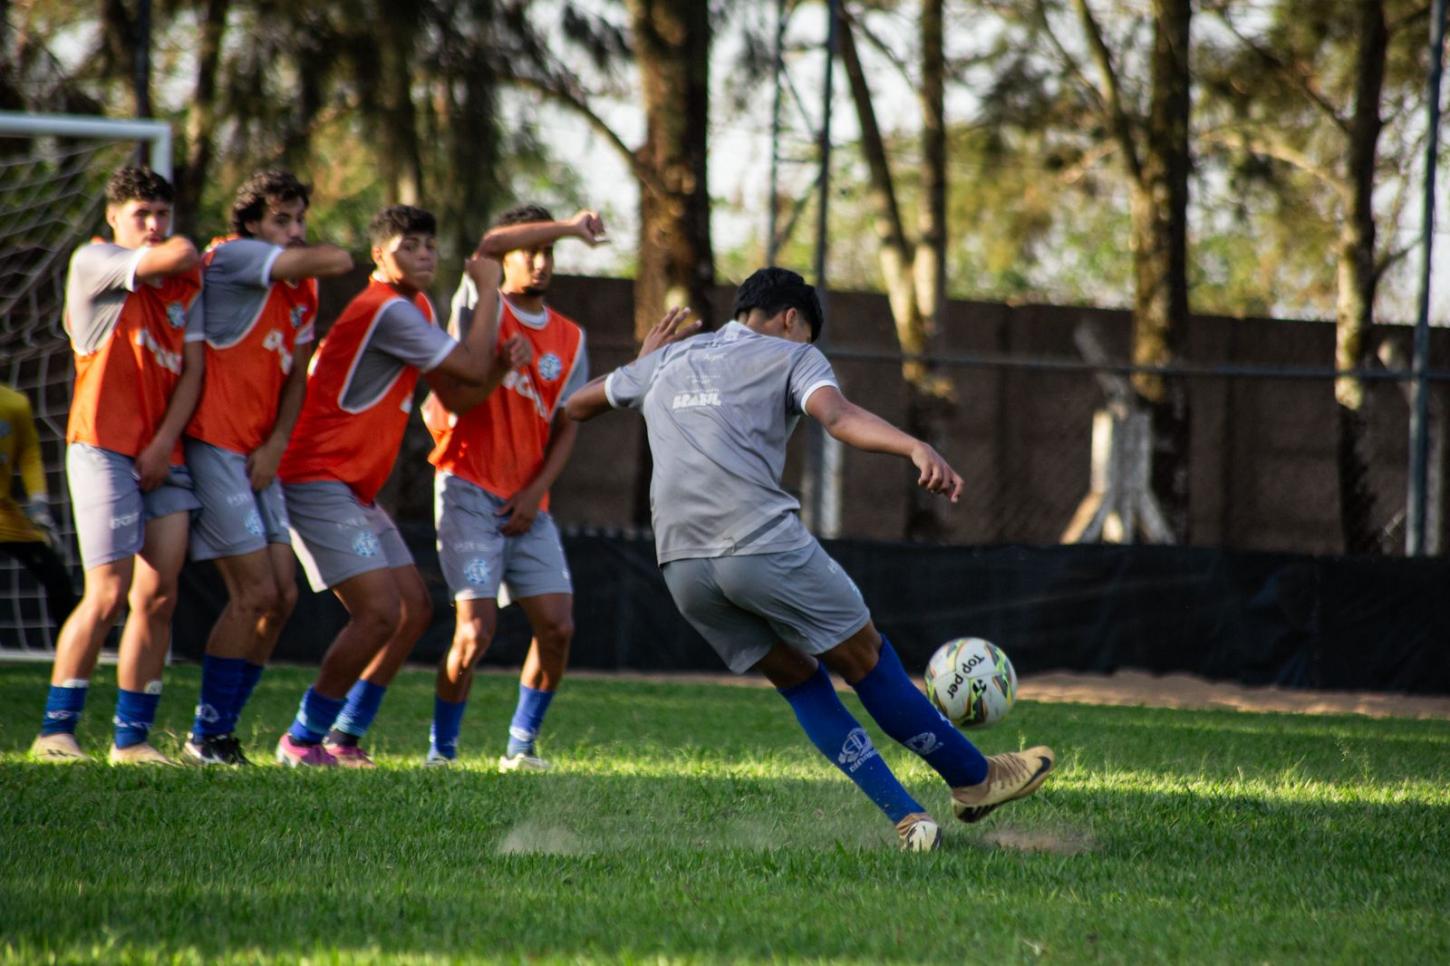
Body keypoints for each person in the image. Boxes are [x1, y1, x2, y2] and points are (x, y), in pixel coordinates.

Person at [565, 267, 1055, 850]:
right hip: (757, 542)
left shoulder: (672, 358)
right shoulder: (791, 354)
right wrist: (914, 445)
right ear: (791, 319)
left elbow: (575, 405)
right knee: (867, 658)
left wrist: (643, 362)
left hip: (682, 566)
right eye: (807, 336)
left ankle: (908, 817)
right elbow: (839, 416)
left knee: (800, 681)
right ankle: (976, 779)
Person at [272, 204, 526, 767]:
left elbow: (458, 395)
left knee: (412, 608)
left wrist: (500, 372)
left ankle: (344, 736)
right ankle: (301, 738)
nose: (426, 255)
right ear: (380, 255)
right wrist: (488, 291)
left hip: (353, 487)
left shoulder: (414, 306)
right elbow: (465, 362)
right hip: (317, 477)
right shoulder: (386, 310)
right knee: (380, 613)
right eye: (411, 246)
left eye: (431, 246)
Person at [411, 204, 603, 772]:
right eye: (531, 252)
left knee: (558, 626)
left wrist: (536, 491)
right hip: (467, 488)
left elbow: (568, 424)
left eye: (549, 254)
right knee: (474, 633)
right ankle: (440, 753)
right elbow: (489, 244)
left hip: (528, 502)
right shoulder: (481, 303)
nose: (540, 263)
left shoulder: (570, 336)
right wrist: (569, 225)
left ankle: (520, 746)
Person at [180, 170, 354, 766]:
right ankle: (205, 734)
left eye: (300, 220)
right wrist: (305, 250)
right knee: (253, 591)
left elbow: (296, 375)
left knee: (281, 596)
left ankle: (224, 731)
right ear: (251, 223)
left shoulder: (298, 288)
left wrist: (278, 441)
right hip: (213, 444)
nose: (295, 232)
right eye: (282, 219)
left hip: (258, 454)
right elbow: (339, 258)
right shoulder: (232, 259)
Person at [30, 166, 204, 765]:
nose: (155, 226)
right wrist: (182, 247)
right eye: (142, 214)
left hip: (164, 454)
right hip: (102, 447)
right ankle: (56, 731)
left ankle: (131, 739)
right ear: (113, 218)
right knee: (107, 592)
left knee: (159, 596)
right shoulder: (96, 261)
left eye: (162, 213)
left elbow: (192, 375)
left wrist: (163, 445)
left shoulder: (182, 290)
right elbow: (177, 254)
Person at [0, 382, 75, 635]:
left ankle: (72, 651)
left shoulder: (15, 403)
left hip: (5, 514)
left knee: (57, 577)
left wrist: (39, 504)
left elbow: (29, 454)